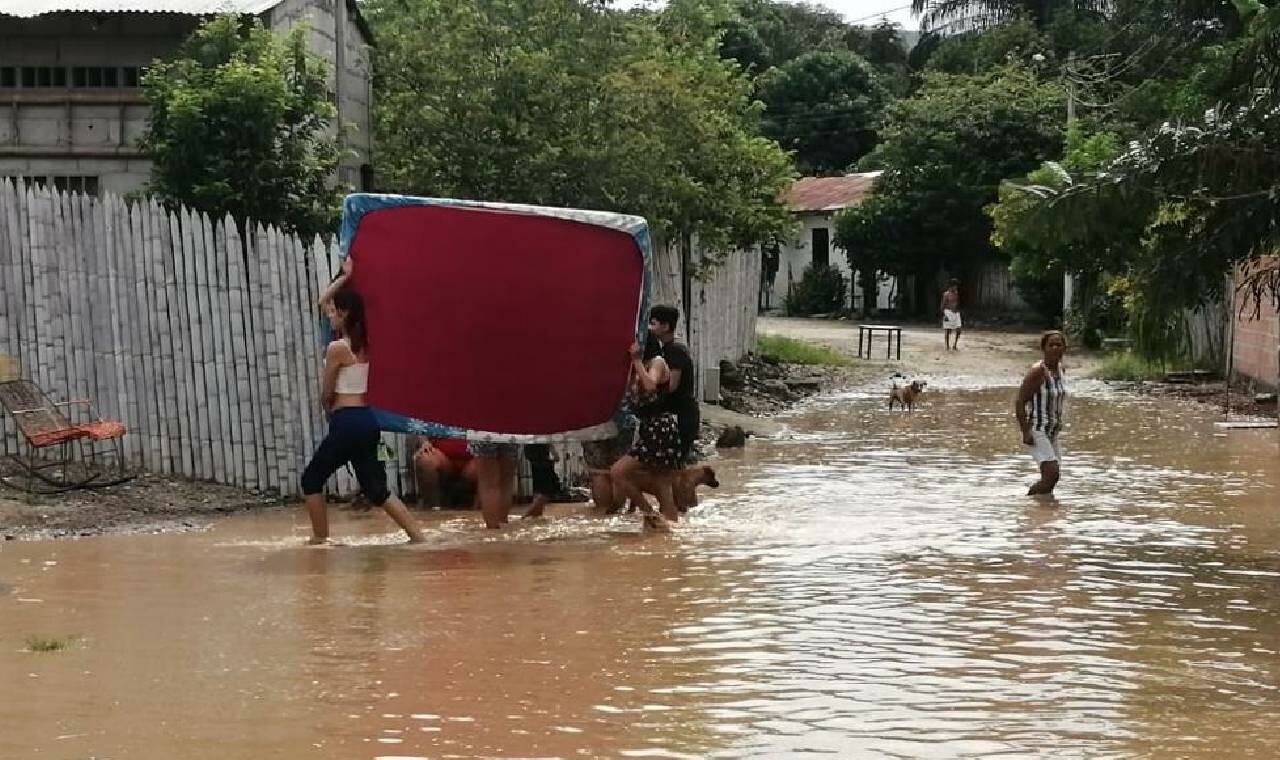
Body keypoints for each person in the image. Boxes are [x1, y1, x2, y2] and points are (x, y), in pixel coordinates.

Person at [300, 258, 425, 545]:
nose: (329, 315)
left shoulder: (337, 349)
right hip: (367, 421)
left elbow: (327, 392)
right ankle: (419, 538)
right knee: (377, 489)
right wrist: (348, 279)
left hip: (346, 421)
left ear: (344, 314)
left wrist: (326, 407)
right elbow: (324, 302)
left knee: (311, 480)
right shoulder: (368, 344)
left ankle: (320, 543)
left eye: (334, 313)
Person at [610, 334, 683, 528]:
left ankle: (650, 514)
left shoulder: (657, 362)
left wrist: (636, 361)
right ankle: (666, 530)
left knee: (618, 472)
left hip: (660, 429)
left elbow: (650, 386)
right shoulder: (641, 367)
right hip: (654, 429)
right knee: (662, 487)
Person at [648, 305, 700, 509]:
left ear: (666, 326)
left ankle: (681, 509)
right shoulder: (668, 349)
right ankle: (681, 509)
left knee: (676, 468)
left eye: (653, 323)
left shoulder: (674, 351)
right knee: (674, 467)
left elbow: (671, 386)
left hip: (682, 416)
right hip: (679, 415)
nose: (649, 328)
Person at [1015, 330, 1068, 496]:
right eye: (1050, 345)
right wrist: (1025, 431)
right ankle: (1027, 501)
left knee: (1051, 477)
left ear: (1064, 348)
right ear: (1043, 348)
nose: (1055, 348)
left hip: (1052, 431)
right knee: (1052, 473)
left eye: (1058, 345)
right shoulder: (1038, 372)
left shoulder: (1060, 370)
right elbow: (1020, 401)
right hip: (1037, 429)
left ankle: (1042, 509)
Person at [412, 436, 476, 508]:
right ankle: (432, 509)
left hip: (475, 457)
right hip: (441, 455)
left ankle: (480, 511)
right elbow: (420, 427)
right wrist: (424, 442)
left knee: (486, 463)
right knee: (425, 460)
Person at [470, 441, 518, 529]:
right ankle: (503, 524)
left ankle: (493, 529)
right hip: (511, 431)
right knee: (506, 482)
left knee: (488, 484)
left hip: (483, 431)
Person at [520, 444, 563, 519]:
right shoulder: (545, 442)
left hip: (535, 463)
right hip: (545, 463)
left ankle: (535, 514)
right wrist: (553, 453)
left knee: (538, 490)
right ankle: (527, 514)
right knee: (547, 491)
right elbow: (556, 456)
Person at [941, 279, 962, 351]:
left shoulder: (956, 293)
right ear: (952, 286)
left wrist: (957, 309)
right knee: (947, 330)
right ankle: (947, 346)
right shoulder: (946, 294)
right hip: (948, 312)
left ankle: (955, 345)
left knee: (958, 329)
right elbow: (943, 305)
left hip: (956, 312)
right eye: (955, 286)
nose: (956, 287)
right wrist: (945, 315)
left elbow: (957, 303)